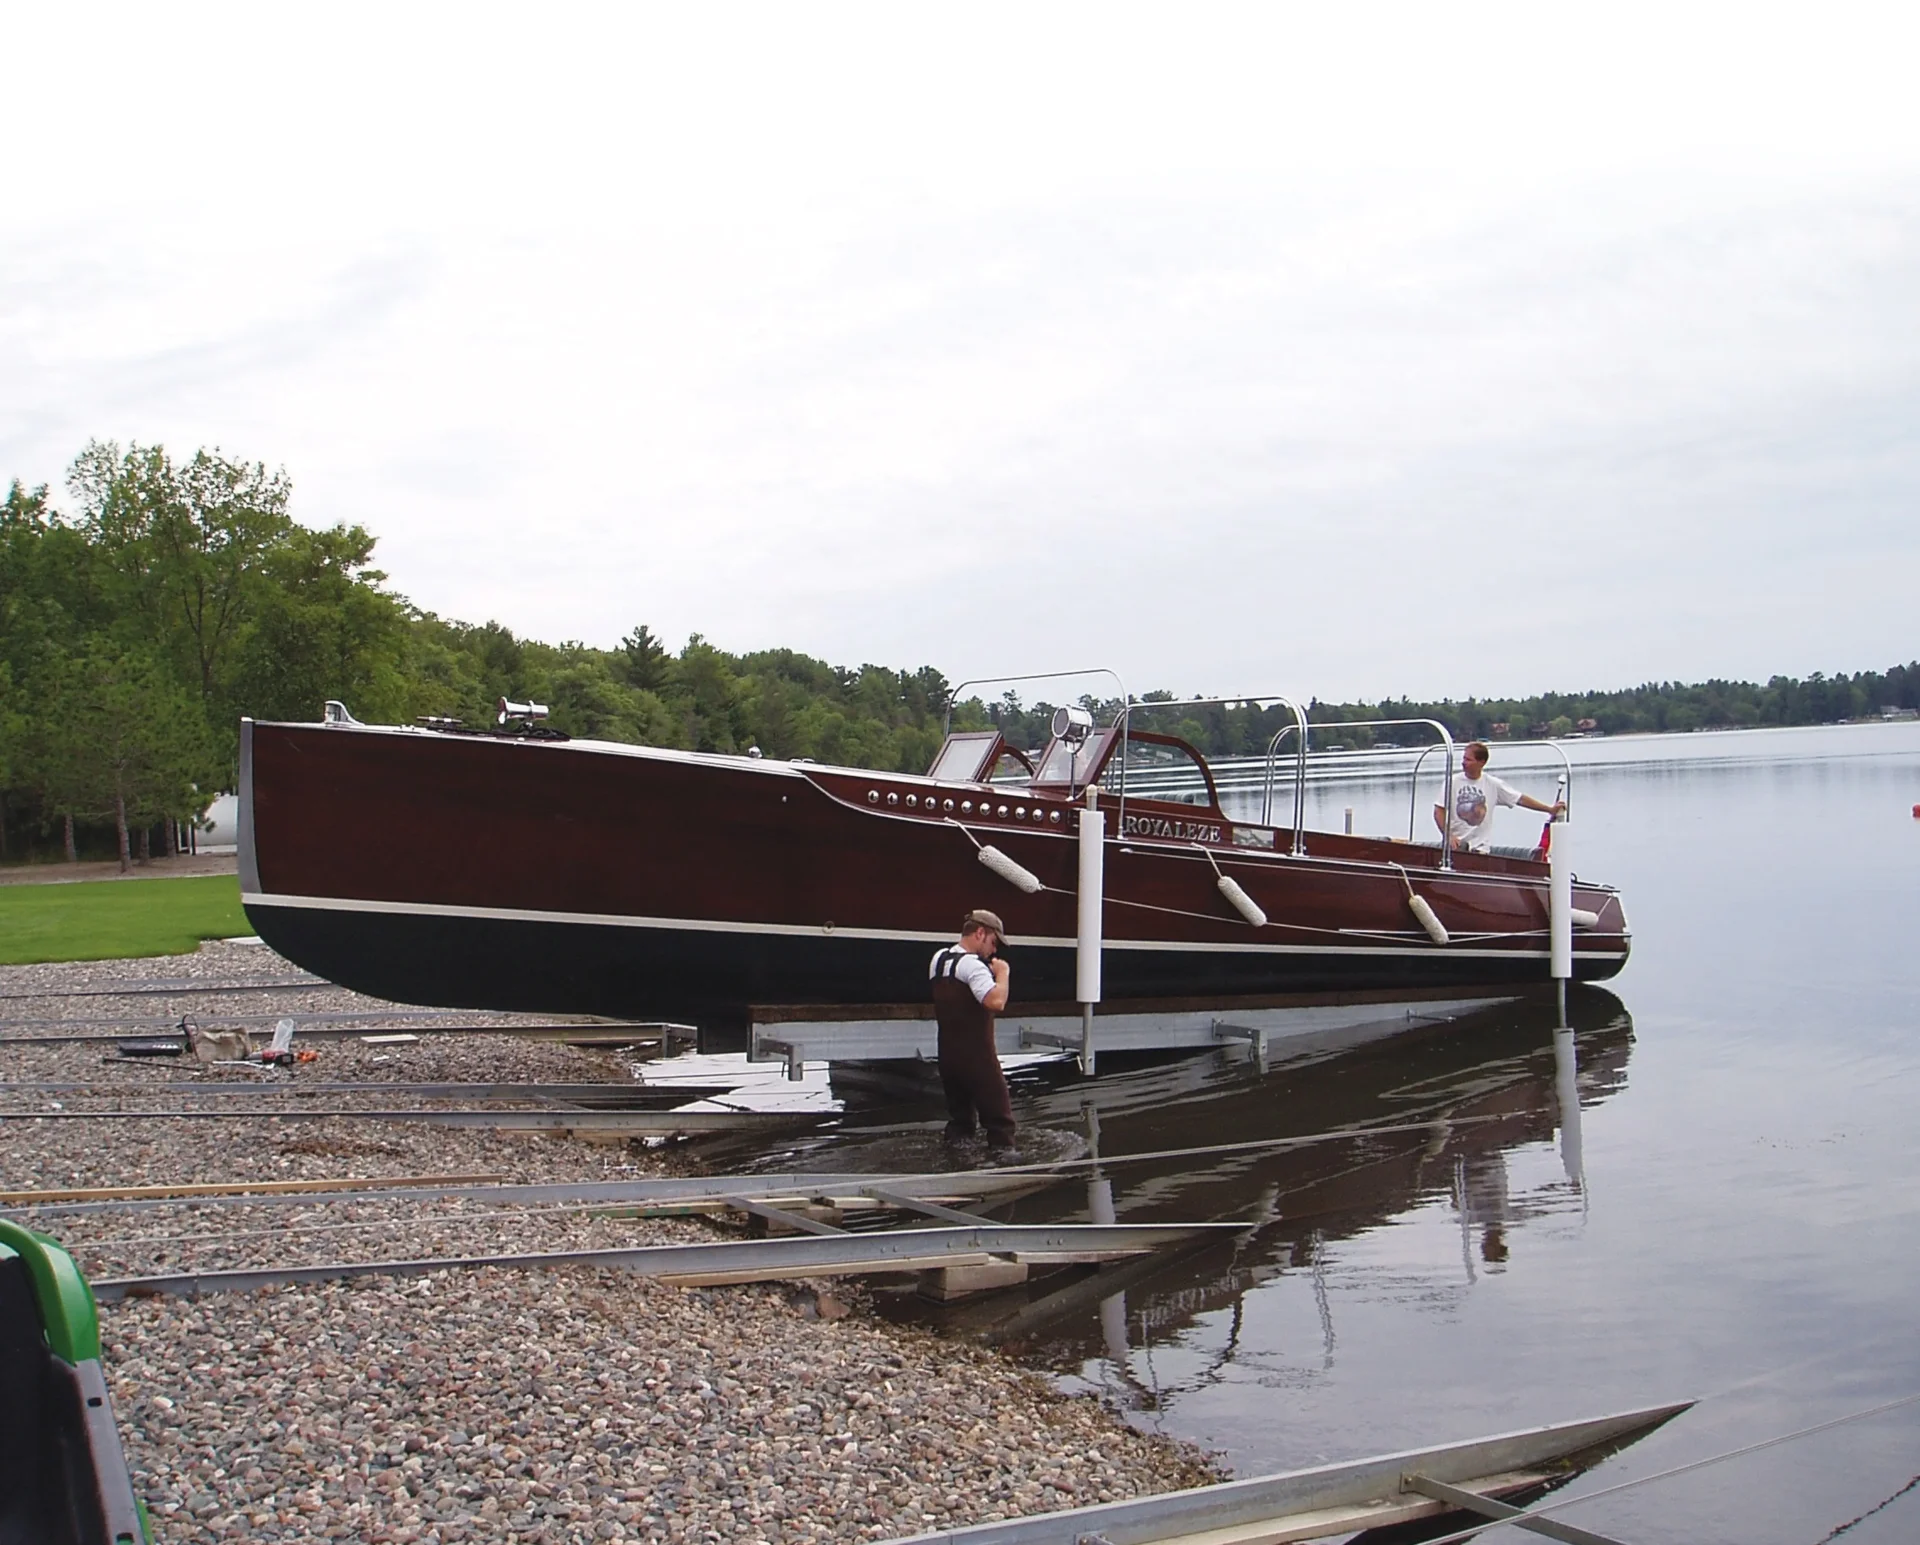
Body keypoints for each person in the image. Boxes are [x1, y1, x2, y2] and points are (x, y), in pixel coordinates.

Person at [929, 908, 1017, 1159]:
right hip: (978, 1059)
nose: (995, 950)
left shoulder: (938, 960)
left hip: (947, 1057)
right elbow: (995, 1002)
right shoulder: (973, 966)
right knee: (1001, 1124)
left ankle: (955, 1165)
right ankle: (1006, 1172)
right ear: (980, 933)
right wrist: (1003, 974)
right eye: (993, 942)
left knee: (960, 1123)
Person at [1433, 741, 1566, 853]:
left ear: (1481, 762)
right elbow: (1439, 811)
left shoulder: (1492, 784)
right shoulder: (1452, 782)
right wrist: (1448, 835)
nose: (1463, 763)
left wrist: (1549, 809)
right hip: (1454, 848)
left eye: (1468, 760)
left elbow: (1520, 799)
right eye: (1463, 758)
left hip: (1480, 850)